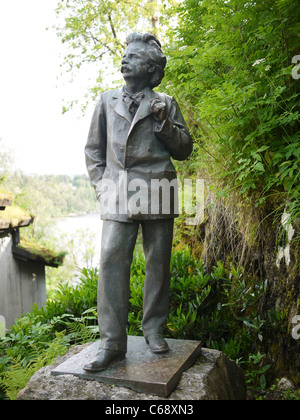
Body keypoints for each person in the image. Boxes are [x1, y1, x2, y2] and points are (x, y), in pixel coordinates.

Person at [84, 32, 192, 372]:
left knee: (157, 264)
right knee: (111, 262)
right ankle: (112, 343)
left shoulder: (166, 102)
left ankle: (154, 331)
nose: (125, 60)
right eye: (125, 55)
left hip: (158, 189)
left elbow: (185, 149)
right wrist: (102, 188)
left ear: (151, 70)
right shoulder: (106, 101)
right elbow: (93, 151)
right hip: (117, 194)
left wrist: (163, 123)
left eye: (134, 57)